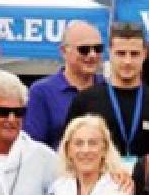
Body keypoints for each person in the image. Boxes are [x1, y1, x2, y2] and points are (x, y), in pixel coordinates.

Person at [66, 23, 149, 159]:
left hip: (144, 178)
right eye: (121, 54)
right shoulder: (85, 101)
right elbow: (70, 149)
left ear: (144, 54)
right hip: (100, 178)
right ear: (110, 53)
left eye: (134, 54)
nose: (127, 61)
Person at [24, 20, 104, 150]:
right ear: (64, 51)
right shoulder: (42, 92)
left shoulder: (108, 88)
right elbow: (33, 147)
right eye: (84, 49)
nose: (92, 55)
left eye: (98, 49)